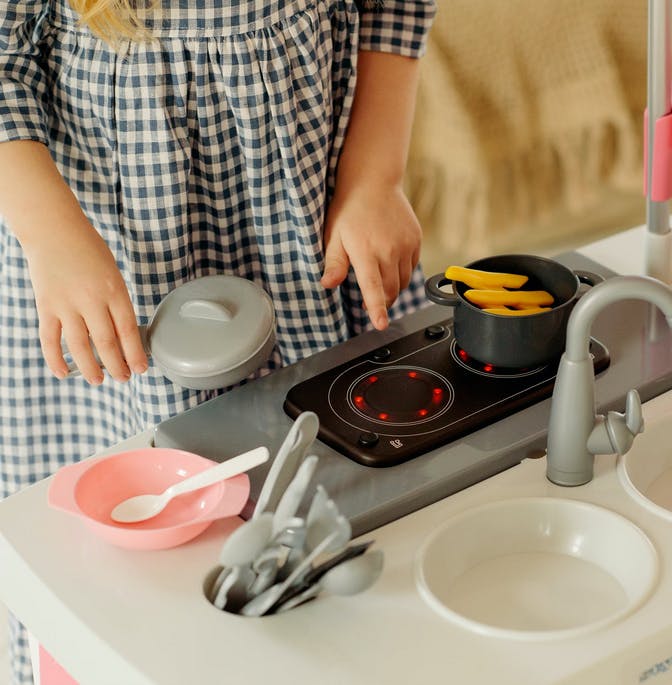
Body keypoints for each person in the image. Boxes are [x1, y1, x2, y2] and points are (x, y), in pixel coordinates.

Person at [0, 0, 437, 681]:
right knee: (124, 575)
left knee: (316, 524)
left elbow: (394, 9)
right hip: (106, 277)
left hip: (307, 261)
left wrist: (375, 177)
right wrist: (53, 239)